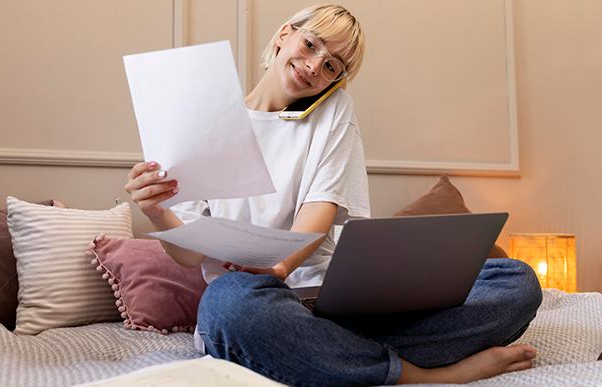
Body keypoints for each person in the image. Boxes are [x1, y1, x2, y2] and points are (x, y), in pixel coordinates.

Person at [124, 4, 542, 386]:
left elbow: (318, 209)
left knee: (516, 281)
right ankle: (424, 377)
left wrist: (282, 266)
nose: (312, 67)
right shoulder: (203, 114)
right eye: (309, 45)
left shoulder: (333, 111)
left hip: (328, 304)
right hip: (255, 307)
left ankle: (323, 356)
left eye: (330, 67)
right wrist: (158, 213)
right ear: (284, 34)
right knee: (229, 304)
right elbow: (190, 255)